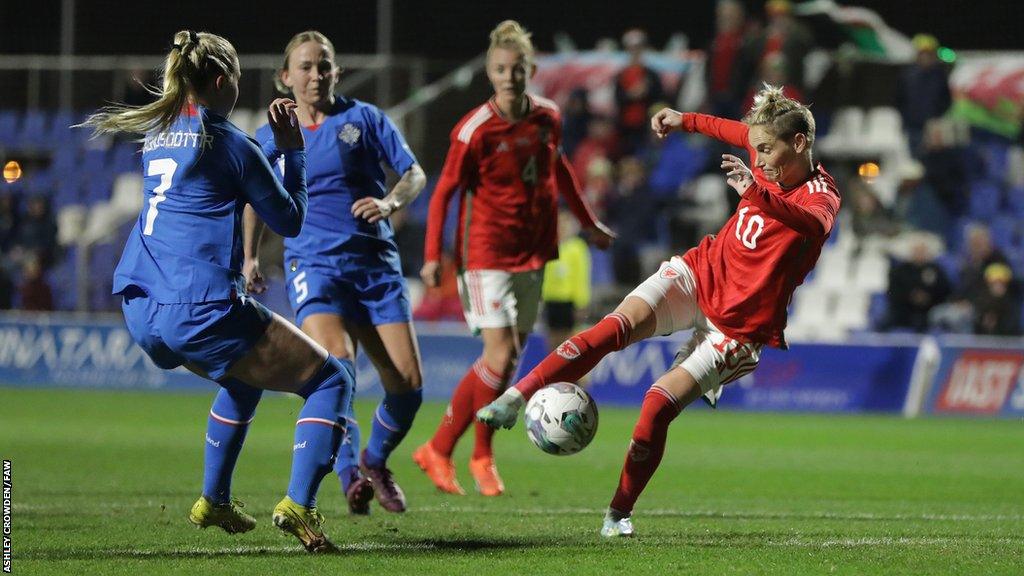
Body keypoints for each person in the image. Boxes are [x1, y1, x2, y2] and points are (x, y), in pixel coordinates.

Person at [479, 84, 841, 536]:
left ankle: (618, 513)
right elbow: (727, 128)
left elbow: (813, 223)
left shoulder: (821, 194)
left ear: (800, 143)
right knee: (614, 327)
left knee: (655, 406)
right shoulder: (765, 148)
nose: (759, 156)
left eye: (767, 149)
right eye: (757, 147)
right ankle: (515, 398)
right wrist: (680, 117)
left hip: (736, 326)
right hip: (700, 273)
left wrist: (756, 193)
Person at [79, 30, 354, 553]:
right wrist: (292, 153)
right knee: (331, 380)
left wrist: (265, 153)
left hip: (139, 307)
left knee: (243, 381)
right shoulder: (229, 143)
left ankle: (214, 499)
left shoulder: (158, 130)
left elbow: (217, 174)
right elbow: (290, 219)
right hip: (198, 308)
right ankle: (299, 503)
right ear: (223, 81)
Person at [414, 20, 615, 497]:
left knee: (505, 364)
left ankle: (459, 452)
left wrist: (586, 221)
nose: (509, 76)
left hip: (534, 252)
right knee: (499, 355)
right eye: (501, 69)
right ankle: (457, 450)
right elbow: (445, 191)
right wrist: (431, 255)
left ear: (531, 70)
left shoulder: (547, 116)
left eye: (518, 68)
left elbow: (560, 169)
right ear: (490, 72)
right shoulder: (474, 130)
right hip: (487, 254)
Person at [244, 30, 427, 515]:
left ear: (336, 71)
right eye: (304, 66)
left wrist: (389, 202)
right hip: (313, 263)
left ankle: (375, 460)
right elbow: (253, 197)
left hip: (374, 265)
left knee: (407, 388)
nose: (315, 74)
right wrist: (249, 257)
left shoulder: (364, 118)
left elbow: (414, 174)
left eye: (324, 65)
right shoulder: (275, 135)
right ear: (286, 77)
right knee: (337, 366)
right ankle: (349, 477)